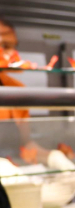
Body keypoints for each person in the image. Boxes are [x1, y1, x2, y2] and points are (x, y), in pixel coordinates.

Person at [0, 18, 45, 163]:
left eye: (13, 47)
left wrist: (53, 157)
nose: (12, 54)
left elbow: (27, 145)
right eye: (5, 46)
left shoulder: (16, 90)